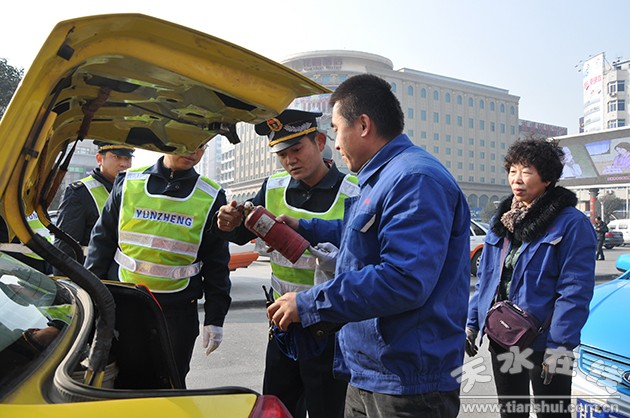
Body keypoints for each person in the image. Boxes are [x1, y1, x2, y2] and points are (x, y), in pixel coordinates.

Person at [266, 74, 470, 418]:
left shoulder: (415, 179)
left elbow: (404, 279)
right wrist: (305, 226)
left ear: (362, 125)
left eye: (335, 128)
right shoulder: (382, 177)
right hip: (370, 370)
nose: (335, 142)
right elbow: (358, 232)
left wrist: (309, 303)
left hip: (407, 382)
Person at [215, 109, 358, 418]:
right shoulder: (274, 186)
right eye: (282, 154)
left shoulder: (353, 192)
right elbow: (242, 231)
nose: (290, 160)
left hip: (330, 329)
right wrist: (228, 222)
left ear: (320, 142)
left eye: (297, 150)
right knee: (277, 408)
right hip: (283, 325)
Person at [466, 138, 596, 418]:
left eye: (526, 171)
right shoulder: (501, 221)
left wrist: (559, 347)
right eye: (512, 170)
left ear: (547, 178)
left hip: (548, 341)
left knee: (554, 411)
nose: (517, 179)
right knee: (512, 411)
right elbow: (488, 279)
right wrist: (472, 324)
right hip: (504, 336)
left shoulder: (572, 224)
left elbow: (574, 291)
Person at [85, 144, 231, 382]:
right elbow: (101, 243)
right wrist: (92, 299)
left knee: (169, 383)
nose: (194, 151)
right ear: (167, 140)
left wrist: (215, 318)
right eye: (189, 142)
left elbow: (217, 262)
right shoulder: (129, 182)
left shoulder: (211, 195)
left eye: (202, 146)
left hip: (176, 311)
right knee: (122, 382)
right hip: (125, 304)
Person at [54, 141, 134, 268]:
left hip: (123, 274)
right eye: (116, 157)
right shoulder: (80, 192)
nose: (124, 164)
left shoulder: (132, 190)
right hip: (91, 275)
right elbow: (65, 247)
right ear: (99, 159)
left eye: (128, 158)